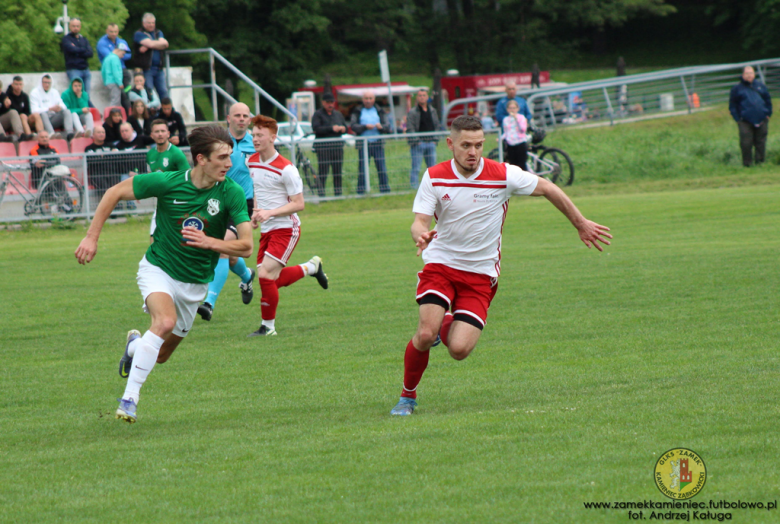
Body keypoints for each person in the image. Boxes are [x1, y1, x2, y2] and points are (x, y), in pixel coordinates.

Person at [389, 115, 612, 416]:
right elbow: (419, 222)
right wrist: (421, 235)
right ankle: (407, 397)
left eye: (479, 145)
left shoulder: (502, 174)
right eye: (466, 145)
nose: (473, 152)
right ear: (450, 143)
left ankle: (446, 324)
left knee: (459, 350)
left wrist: (580, 223)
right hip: (440, 265)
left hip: (480, 275)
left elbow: (548, 187)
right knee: (425, 334)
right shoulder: (434, 176)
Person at [74, 125, 253, 424]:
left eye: (230, 156)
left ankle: (134, 345)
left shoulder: (231, 192)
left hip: (195, 283)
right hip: (159, 268)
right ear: (201, 159)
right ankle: (129, 399)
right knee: (164, 322)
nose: (229, 163)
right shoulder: (168, 182)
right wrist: (91, 237)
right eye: (222, 157)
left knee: (160, 355)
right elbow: (114, 192)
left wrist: (211, 242)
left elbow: (246, 246)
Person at [246, 115, 329, 337]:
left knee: (264, 275)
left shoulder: (287, 168)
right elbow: (258, 190)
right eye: (253, 134)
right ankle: (311, 268)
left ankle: (268, 327)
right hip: (266, 229)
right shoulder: (251, 161)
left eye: (260, 135)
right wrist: (255, 213)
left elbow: (299, 204)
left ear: (273, 137)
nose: (255, 139)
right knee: (270, 278)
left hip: (286, 228)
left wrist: (269, 213)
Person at [197, 103, 256, 321]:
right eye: (237, 115)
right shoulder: (220, 144)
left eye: (245, 116)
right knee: (230, 257)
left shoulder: (256, 143)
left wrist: (259, 208)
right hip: (218, 201)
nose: (242, 119)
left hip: (243, 204)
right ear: (228, 118)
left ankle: (208, 303)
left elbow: (262, 178)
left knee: (221, 248)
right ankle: (247, 275)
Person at [729, 66, 772, 167]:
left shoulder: (761, 86)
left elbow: (768, 101)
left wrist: (768, 114)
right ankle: (747, 164)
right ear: (743, 75)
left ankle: (760, 162)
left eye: (751, 73)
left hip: (762, 119)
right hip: (745, 121)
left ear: (754, 74)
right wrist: (738, 119)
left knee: (761, 142)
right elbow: (733, 105)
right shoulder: (737, 89)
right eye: (747, 73)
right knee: (746, 143)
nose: (749, 75)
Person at [349, 90, 391, 194]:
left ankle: (384, 189)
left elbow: (387, 125)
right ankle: (361, 190)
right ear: (363, 99)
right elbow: (353, 126)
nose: (368, 101)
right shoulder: (357, 111)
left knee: (381, 167)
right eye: (366, 98)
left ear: (374, 99)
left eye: (370, 98)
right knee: (363, 168)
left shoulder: (379, 110)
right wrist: (365, 127)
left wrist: (381, 127)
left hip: (377, 143)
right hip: (364, 144)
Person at [311, 92, 347, 197]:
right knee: (323, 172)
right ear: (323, 103)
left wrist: (343, 129)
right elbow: (316, 128)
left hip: (337, 147)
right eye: (328, 103)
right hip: (323, 148)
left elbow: (345, 127)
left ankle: (338, 194)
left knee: (337, 172)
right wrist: (331, 128)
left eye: (332, 102)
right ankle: (321, 195)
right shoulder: (318, 114)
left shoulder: (338, 114)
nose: (330, 105)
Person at [406, 87, 442, 189]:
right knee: (416, 168)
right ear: (417, 98)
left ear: (428, 97)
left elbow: (437, 126)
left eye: (424, 95)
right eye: (420, 96)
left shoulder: (432, 111)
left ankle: (432, 187)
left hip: (431, 143)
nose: (422, 98)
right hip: (418, 144)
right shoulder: (412, 112)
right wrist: (417, 141)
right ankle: (414, 187)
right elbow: (410, 127)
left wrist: (435, 140)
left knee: (432, 168)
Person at [133, 13, 169, 100]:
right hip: (146, 69)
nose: (151, 25)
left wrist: (150, 44)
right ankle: (152, 111)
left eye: (153, 23)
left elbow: (166, 44)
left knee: (163, 92)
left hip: (159, 69)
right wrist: (156, 44)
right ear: (143, 23)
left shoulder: (158, 32)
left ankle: (167, 111)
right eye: (149, 23)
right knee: (149, 92)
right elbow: (155, 44)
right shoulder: (139, 34)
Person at [29, 74, 74, 140]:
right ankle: (51, 133)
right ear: (41, 82)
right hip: (42, 120)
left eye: (49, 83)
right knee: (43, 114)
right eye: (45, 82)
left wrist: (59, 107)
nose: (47, 85)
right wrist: (49, 109)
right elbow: (34, 110)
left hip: (54, 118)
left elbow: (63, 105)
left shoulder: (54, 92)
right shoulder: (34, 92)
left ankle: (69, 134)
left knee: (67, 111)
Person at [60, 18, 94, 94]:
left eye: (77, 26)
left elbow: (90, 53)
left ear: (80, 27)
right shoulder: (66, 39)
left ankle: (87, 106)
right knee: (77, 93)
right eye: (73, 26)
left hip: (85, 69)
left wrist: (77, 50)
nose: (75, 28)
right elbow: (72, 50)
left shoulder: (83, 39)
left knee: (86, 94)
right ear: (69, 26)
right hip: (74, 70)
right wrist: (83, 49)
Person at [84, 125, 119, 194]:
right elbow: (92, 162)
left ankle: (117, 205)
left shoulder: (111, 145)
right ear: (93, 135)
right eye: (99, 132)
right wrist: (108, 155)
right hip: (97, 175)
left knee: (115, 190)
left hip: (112, 173)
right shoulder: (89, 148)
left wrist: (102, 157)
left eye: (103, 132)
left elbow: (116, 159)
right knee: (107, 191)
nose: (101, 134)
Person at [501, 100, 529, 169]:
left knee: (522, 164)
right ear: (507, 109)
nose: (512, 110)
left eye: (514, 108)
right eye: (510, 108)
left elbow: (523, 129)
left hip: (520, 142)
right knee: (513, 165)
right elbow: (506, 132)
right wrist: (501, 138)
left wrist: (516, 119)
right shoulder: (506, 119)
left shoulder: (521, 117)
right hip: (510, 143)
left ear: (517, 109)